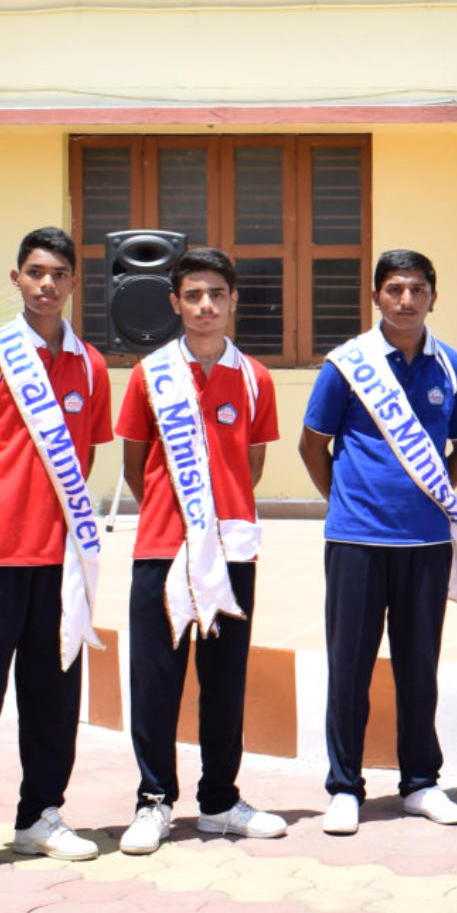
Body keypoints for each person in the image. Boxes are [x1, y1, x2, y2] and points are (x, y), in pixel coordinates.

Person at [0, 228, 112, 879]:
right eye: (36, 272)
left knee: (53, 695)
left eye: (59, 274)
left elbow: (83, 458)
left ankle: (40, 815)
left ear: (73, 283)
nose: (47, 284)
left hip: (58, 560)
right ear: (17, 278)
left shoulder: (91, 366)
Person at [300, 249, 457, 836]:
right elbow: (312, 445)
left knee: (419, 668)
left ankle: (421, 783)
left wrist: (426, 497)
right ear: (376, 295)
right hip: (355, 542)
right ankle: (344, 787)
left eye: (418, 289)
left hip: (425, 544)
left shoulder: (450, 366)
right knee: (349, 668)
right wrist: (350, 502)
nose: (406, 300)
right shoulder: (347, 365)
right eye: (395, 289)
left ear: (434, 297)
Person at [114, 248, 286, 855]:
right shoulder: (149, 375)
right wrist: (181, 519)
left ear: (233, 300)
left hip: (231, 550)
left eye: (216, 294)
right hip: (162, 548)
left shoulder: (256, 378)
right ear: (175, 303)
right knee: (156, 680)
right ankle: (154, 801)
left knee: (224, 682)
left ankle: (219, 801)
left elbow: (251, 467)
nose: (205, 306)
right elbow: (136, 465)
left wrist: (212, 523)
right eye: (193, 295)